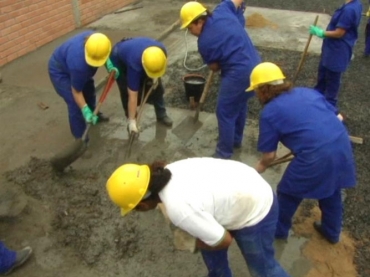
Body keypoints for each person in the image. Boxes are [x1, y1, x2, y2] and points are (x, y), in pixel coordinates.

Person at [105, 158, 290, 277]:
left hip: (255, 208)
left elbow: (224, 241)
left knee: (264, 270)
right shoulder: (167, 171)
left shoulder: (180, 209)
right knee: (211, 250)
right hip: (238, 191)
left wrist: (194, 242)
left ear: (143, 204)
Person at [248, 62, 357, 244]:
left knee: (288, 191)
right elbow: (339, 117)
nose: (255, 94)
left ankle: (277, 231)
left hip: (316, 156)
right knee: (332, 189)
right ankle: (331, 232)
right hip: (341, 145)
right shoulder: (307, 92)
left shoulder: (269, 112)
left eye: (256, 90)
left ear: (264, 89)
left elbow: (268, 156)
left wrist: (256, 170)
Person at [179, 1, 261, 159]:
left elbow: (215, 67)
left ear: (200, 21)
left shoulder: (204, 43)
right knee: (240, 103)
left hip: (239, 73)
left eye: (190, 27)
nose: (191, 32)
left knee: (225, 112)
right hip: (256, 66)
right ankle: (235, 140)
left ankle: (223, 154)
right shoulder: (222, 10)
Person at [48, 31, 112, 139]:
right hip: (60, 71)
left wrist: (110, 65)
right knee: (75, 103)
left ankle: (94, 114)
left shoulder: (97, 40)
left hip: (74, 62)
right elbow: (76, 92)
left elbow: (102, 53)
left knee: (89, 90)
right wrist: (85, 110)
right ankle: (80, 137)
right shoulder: (78, 65)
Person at [106, 37, 173, 135]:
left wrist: (155, 77)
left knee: (157, 88)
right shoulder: (134, 65)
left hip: (137, 51)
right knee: (126, 91)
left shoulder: (160, 51)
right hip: (118, 58)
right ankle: (131, 121)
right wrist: (132, 122)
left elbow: (162, 65)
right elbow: (133, 94)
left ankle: (161, 114)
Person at [309, 0, 362, 109]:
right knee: (323, 75)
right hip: (331, 48)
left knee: (332, 80)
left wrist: (321, 32)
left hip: (337, 50)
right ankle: (316, 100)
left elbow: (339, 33)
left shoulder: (349, 9)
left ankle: (330, 108)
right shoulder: (353, 4)